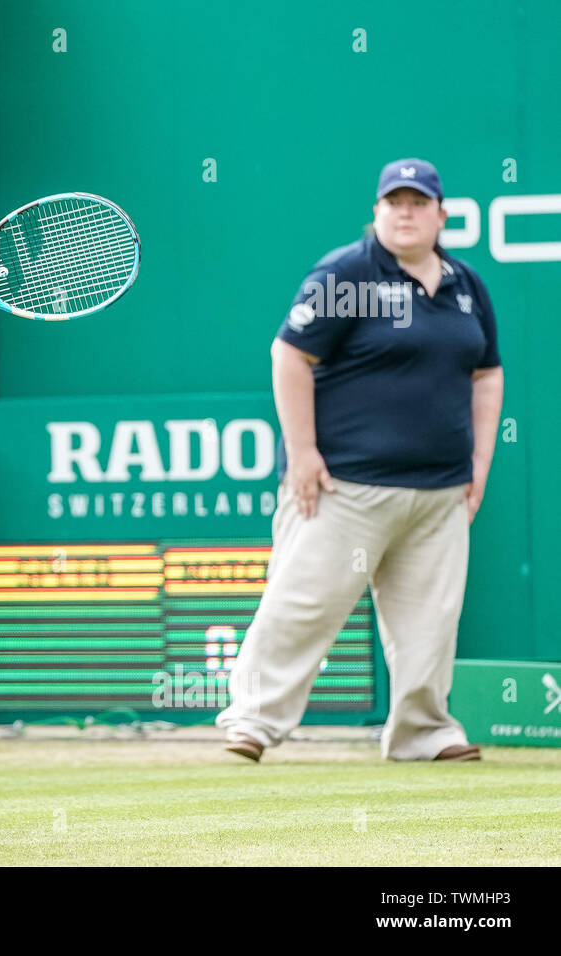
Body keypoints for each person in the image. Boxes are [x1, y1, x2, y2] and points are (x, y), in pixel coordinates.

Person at [216, 158, 505, 763]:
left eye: (418, 202)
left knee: (430, 623)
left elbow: (486, 374)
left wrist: (480, 462)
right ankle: (252, 723)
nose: (406, 212)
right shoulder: (345, 273)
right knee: (301, 606)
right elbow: (289, 356)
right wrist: (302, 453)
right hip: (343, 488)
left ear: (440, 215)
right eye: (394, 202)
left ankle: (423, 733)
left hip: (439, 493)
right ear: (376, 212)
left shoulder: (466, 285)